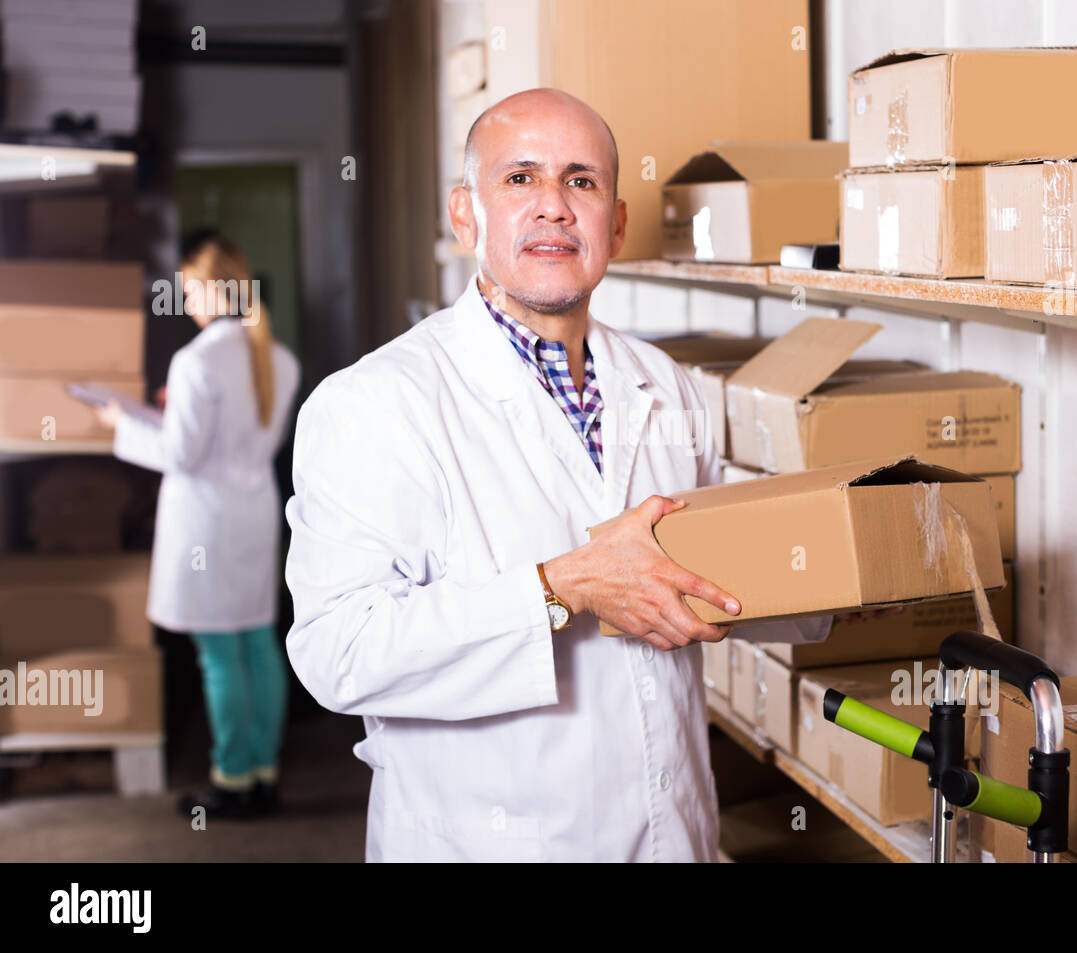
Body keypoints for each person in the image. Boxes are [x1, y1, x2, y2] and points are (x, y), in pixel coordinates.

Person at [283, 87, 830, 862]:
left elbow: (700, 577)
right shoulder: (372, 403)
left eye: (581, 181)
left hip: (672, 836)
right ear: (464, 214)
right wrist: (558, 587)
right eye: (519, 179)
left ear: (617, 219)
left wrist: (835, 592)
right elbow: (339, 653)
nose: (554, 207)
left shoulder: (666, 385)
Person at [97, 234, 301, 820]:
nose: (185, 302)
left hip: (206, 524)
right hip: (254, 512)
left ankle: (232, 780)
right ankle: (263, 773)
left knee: (218, 653)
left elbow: (182, 455)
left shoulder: (195, 361)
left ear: (215, 288)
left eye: (189, 290)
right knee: (258, 644)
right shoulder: (279, 358)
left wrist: (121, 422)